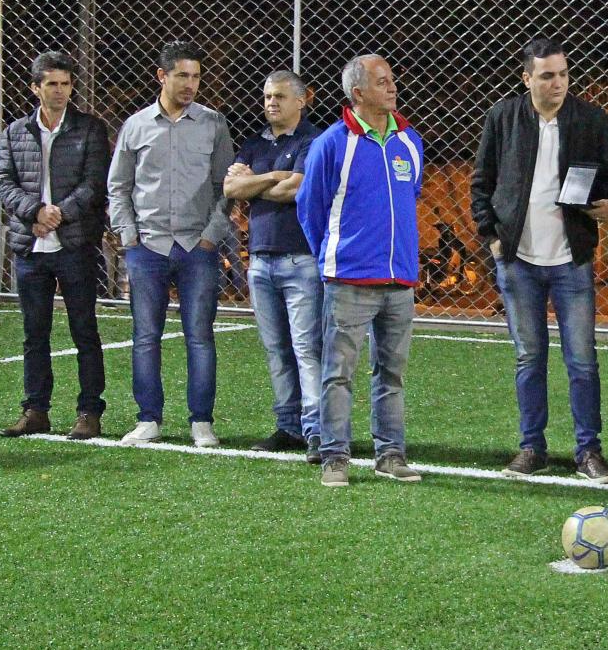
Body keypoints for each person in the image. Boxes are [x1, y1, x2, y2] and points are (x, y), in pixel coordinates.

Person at [469, 35, 608, 484]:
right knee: (529, 358)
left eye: (562, 74)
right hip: (517, 260)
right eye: (547, 76)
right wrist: (493, 240)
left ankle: (589, 450)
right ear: (527, 79)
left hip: (571, 259)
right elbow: (481, 183)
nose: (557, 83)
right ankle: (531, 447)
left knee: (582, 359)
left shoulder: (591, 120)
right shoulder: (503, 117)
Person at [296, 54, 425, 487]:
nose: (392, 86)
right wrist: (333, 257)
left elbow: (411, 198)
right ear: (358, 93)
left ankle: (390, 454)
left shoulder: (410, 140)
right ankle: (335, 456)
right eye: (382, 81)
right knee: (338, 372)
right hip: (349, 281)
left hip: (400, 282)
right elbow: (310, 207)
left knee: (392, 372)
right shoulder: (332, 143)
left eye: (392, 79)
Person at [108, 41, 237, 448]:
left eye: (196, 76)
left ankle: (202, 422)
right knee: (146, 336)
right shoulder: (136, 125)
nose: (191, 84)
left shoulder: (214, 124)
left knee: (200, 335)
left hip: (196, 248)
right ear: (162, 76)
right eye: (183, 75)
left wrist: (209, 237)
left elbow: (226, 188)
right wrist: (128, 235)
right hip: (147, 246)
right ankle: (149, 420)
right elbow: (118, 186)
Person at [0, 51, 112, 441]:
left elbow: (95, 182)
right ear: (35, 88)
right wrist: (34, 212)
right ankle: (35, 409)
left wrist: (58, 212)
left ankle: (89, 412)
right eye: (52, 84)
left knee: (84, 330)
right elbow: (4, 182)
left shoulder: (90, 129)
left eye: (65, 84)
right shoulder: (15, 132)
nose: (60, 91)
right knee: (34, 332)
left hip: (74, 244)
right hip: (31, 247)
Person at [224, 69, 323, 461]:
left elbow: (297, 188)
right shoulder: (253, 142)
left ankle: (317, 430)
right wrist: (275, 176)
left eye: (280, 96)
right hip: (261, 261)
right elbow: (232, 188)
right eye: (267, 96)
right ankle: (288, 427)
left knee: (306, 348)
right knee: (276, 349)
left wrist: (259, 183)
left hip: (302, 259)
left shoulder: (313, 140)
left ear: (303, 99)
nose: (270, 103)